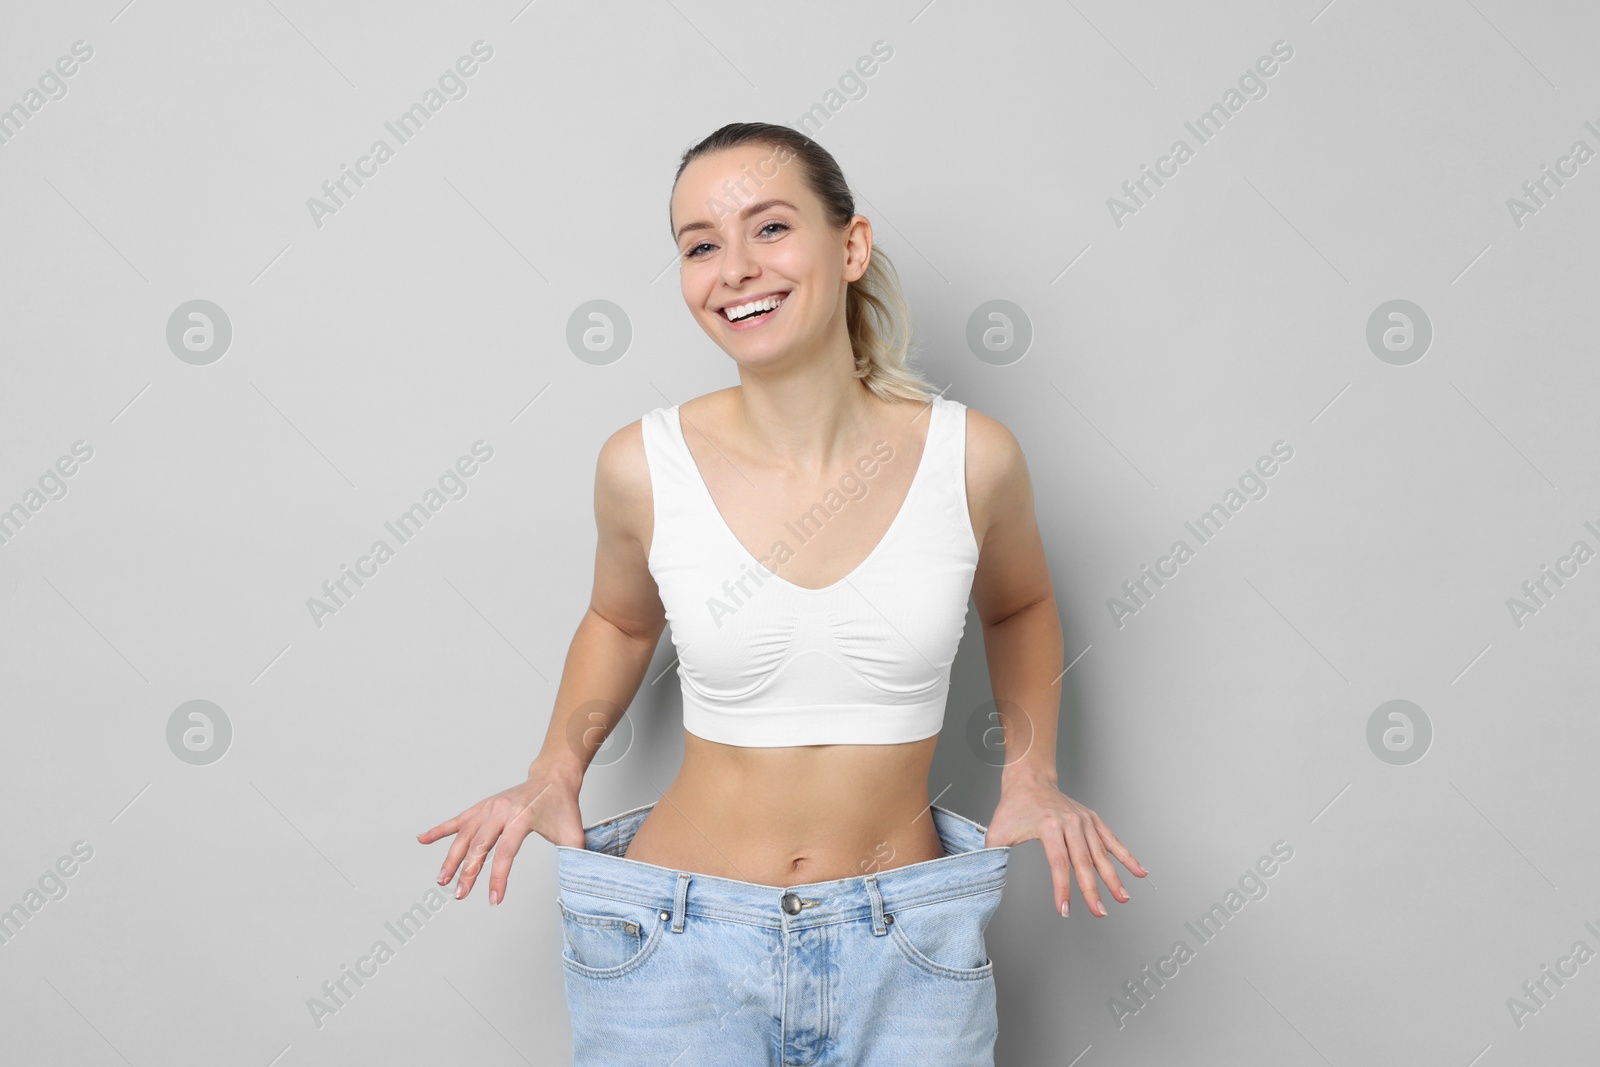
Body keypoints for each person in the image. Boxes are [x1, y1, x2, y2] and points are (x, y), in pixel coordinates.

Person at [417, 121, 1145, 1066]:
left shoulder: (973, 457)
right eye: (700, 246)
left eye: (768, 228)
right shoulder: (644, 466)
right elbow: (619, 619)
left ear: (850, 246)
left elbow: (1021, 607)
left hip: (906, 946)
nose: (734, 269)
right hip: (674, 946)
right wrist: (557, 766)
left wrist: (1032, 774)